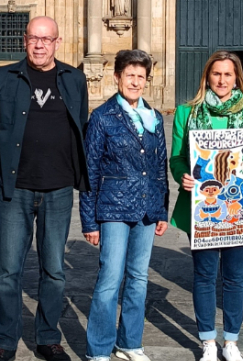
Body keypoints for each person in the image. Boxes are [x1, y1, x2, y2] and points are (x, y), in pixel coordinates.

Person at [0, 17, 88, 361]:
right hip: (17, 189)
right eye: (33, 39)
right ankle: (5, 342)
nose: (39, 45)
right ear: (24, 41)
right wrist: (2, 162)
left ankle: (47, 338)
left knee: (54, 270)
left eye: (46, 39)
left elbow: (80, 124)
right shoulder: (5, 77)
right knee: (9, 271)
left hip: (58, 189)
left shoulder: (73, 78)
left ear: (58, 42)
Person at [169, 51, 243, 361]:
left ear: (237, 78)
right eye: (216, 74)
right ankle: (207, 341)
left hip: (239, 208)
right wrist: (183, 177)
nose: (222, 80)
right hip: (202, 209)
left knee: (235, 277)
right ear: (207, 77)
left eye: (228, 74)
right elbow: (176, 158)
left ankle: (231, 340)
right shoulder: (187, 112)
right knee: (203, 275)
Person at [80, 49, 170, 361]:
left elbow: (160, 168)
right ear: (118, 77)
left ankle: (130, 343)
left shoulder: (155, 118)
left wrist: (162, 211)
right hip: (113, 209)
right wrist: (89, 222)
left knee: (139, 279)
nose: (135, 81)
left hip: (146, 209)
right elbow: (89, 171)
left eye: (140, 77)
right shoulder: (102, 117)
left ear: (147, 81)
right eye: (129, 75)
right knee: (110, 279)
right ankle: (99, 349)